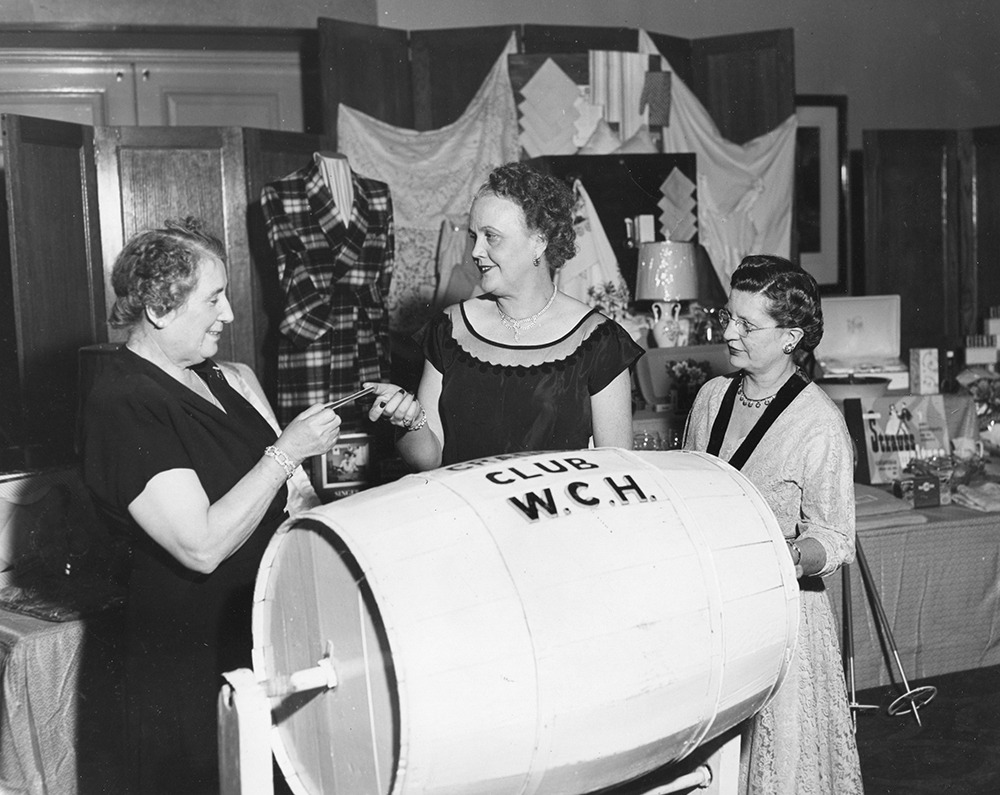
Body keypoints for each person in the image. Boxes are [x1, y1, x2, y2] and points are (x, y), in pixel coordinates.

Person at [80, 218, 342, 795]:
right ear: (158, 309)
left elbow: (282, 497)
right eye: (215, 299)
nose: (228, 315)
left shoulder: (213, 377)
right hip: (187, 661)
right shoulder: (124, 401)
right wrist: (287, 450)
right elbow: (200, 546)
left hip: (253, 635)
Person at [683, 255, 864, 794]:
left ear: (791, 337)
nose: (728, 332)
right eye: (728, 316)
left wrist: (784, 554)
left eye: (746, 323)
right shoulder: (711, 396)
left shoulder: (819, 423)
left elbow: (836, 539)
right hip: (716, 607)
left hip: (781, 616)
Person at [365, 161, 642, 467]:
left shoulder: (600, 341)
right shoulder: (449, 328)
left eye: (491, 237)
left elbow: (619, 470)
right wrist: (412, 421)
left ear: (538, 243)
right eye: (474, 236)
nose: (475, 251)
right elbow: (429, 462)